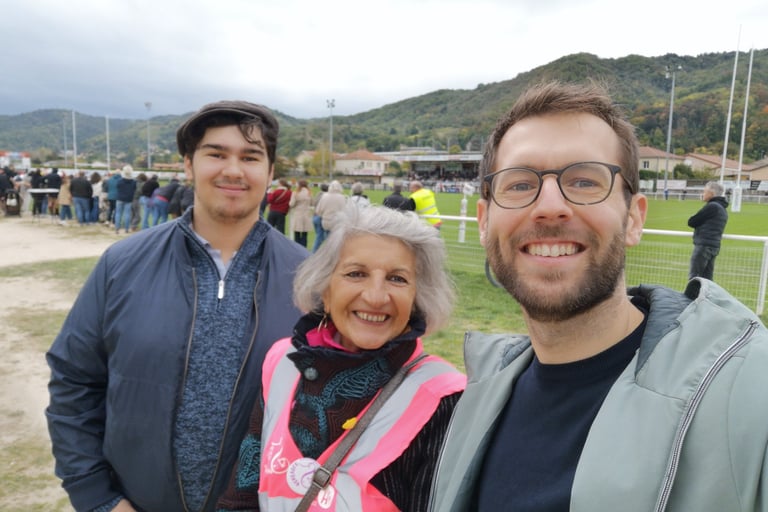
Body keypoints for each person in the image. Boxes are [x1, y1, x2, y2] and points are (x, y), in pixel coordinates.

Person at [429, 81, 768, 512]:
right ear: (483, 222)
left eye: (584, 180)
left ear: (633, 219)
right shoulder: (475, 398)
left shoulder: (750, 392)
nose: (548, 206)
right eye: (518, 185)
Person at [46, 100, 310, 512]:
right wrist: (97, 497)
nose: (234, 170)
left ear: (270, 171)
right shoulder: (122, 263)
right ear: (188, 165)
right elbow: (74, 383)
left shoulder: (311, 279)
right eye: (216, 154)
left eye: (250, 157)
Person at [216, 205, 465, 511]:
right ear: (326, 288)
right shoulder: (284, 360)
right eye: (356, 274)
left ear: (417, 298)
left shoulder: (444, 398)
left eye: (397, 279)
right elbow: (242, 492)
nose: (375, 297)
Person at [687, 180, 729, 280]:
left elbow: (692, 222)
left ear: (712, 193)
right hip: (713, 247)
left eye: (704, 191)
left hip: (703, 246)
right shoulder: (722, 208)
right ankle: (705, 296)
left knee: (695, 278)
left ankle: (692, 296)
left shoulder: (712, 206)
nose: (703, 194)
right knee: (707, 279)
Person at [288, 179, 312, 247]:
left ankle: (297, 247)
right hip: (306, 214)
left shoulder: (296, 193)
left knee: (297, 233)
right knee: (305, 233)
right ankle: (304, 248)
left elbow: (291, 204)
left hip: (298, 213)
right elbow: (312, 203)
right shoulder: (309, 193)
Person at [114, 165, 137, 234]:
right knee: (127, 214)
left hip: (120, 198)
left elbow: (117, 187)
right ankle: (126, 229)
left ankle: (117, 228)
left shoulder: (120, 181)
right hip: (129, 199)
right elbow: (134, 189)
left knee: (118, 213)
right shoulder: (133, 182)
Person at [311, 182, 329, 252]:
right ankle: (314, 252)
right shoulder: (326, 196)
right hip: (320, 217)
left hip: (315, 216)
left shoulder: (318, 194)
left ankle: (317, 251)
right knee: (320, 237)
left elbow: (314, 203)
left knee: (320, 236)